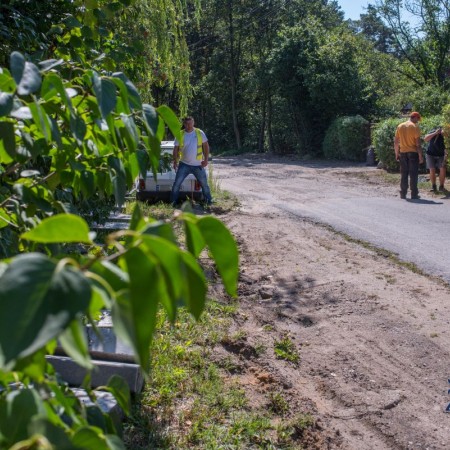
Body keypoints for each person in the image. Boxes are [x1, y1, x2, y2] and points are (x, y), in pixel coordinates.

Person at [171, 116, 213, 205]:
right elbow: (175, 149)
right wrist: (175, 161)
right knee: (176, 184)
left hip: (198, 165)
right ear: (184, 124)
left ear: (193, 123)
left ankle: (209, 201)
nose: (189, 125)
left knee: (204, 184)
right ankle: (173, 202)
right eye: (187, 123)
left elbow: (206, 146)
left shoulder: (199, 133)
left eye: (190, 123)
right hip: (184, 164)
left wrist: (206, 160)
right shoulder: (180, 134)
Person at [394, 111, 423, 199]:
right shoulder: (415, 127)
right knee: (413, 174)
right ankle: (414, 194)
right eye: (417, 119)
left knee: (404, 174)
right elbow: (418, 144)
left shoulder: (400, 126)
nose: (418, 121)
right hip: (413, 153)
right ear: (414, 117)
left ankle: (403, 193)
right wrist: (420, 156)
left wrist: (396, 153)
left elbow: (395, 142)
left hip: (403, 153)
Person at [424, 126, 447, 192]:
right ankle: (433, 186)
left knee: (442, 169)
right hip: (430, 154)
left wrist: (444, 134)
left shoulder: (444, 134)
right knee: (432, 169)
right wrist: (435, 133)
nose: (440, 131)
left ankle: (441, 186)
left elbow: (447, 139)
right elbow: (425, 139)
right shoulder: (433, 132)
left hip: (441, 155)